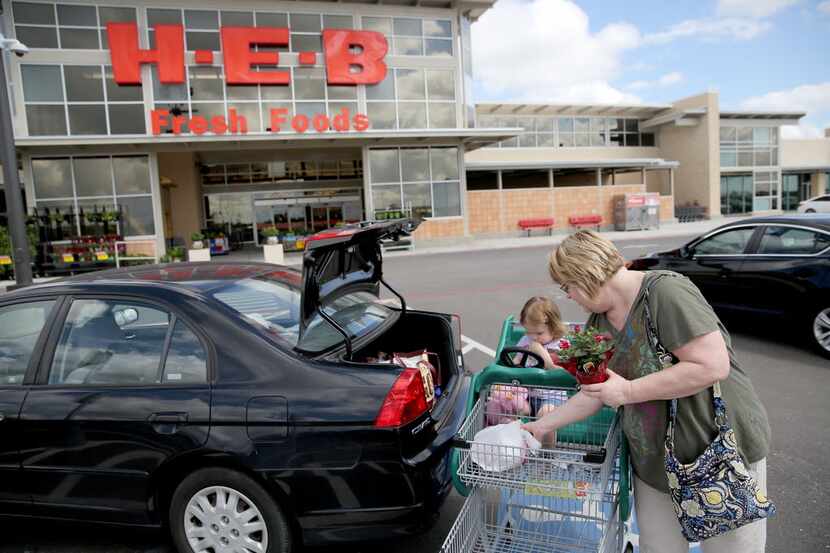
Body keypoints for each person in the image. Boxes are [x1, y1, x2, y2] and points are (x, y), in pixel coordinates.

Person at [522, 230, 772, 553]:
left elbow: (711, 365)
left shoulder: (665, 293)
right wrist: (541, 426)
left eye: (567, 286)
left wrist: (627, 391)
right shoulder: (598, 324)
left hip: (715, 453)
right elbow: (593, 393)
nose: (568, 296)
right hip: (653, 466)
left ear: (586, 275)